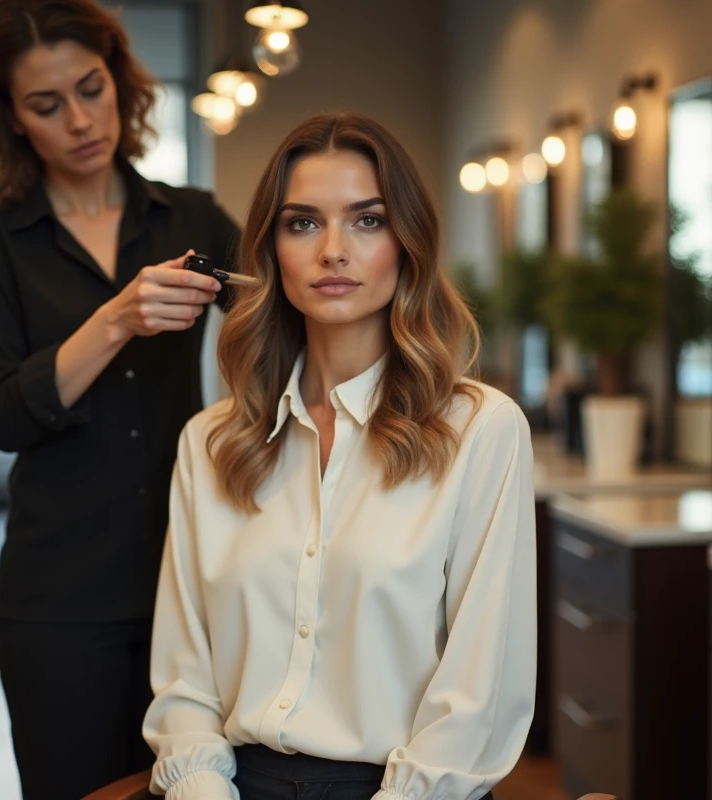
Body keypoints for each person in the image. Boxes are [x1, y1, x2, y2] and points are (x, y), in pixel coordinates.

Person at [143, 112, 537, 800]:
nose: (332, 250)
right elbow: (183, 680)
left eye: (367, 220)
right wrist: (201, 789)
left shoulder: (481, 430)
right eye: (302, 223)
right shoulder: (210, 442)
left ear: (407, 243)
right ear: (271, 252)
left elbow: (481, 692)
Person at [0, 1, 238, 797]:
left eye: (91, 88)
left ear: (121, 82)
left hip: (195, 590)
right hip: (59, 606)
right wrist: (115, 319)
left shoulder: (191, 218)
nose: (81, 120)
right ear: (10, 117)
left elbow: (280, 323)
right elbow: (2, 416)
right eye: (47, 105)